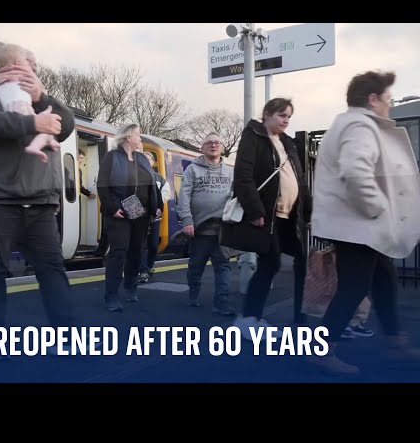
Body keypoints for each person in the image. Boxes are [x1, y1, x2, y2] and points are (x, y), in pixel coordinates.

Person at [0, 43, 78, 361]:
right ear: (13, 65)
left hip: (40, 204)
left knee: (53, 270)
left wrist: (43, 99)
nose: (35, 65)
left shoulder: (43, 99)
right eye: (30, 60)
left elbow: (66, 126)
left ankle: (66, 337)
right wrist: (33, 124)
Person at [308, 70, 420, 375]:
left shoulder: (346, 123)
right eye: (388, 99)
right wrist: (378, 208)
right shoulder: (360, 124)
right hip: (358, 226)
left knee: (384, 279)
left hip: (358, 225)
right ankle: (321, 350)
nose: (390, 105)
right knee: (354, 288)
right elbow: (356, 172)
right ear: (373, 99)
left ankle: (396, 341)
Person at [227, 98, 312, 339]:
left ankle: (295, 318)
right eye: (281, 115)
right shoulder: (253, 136)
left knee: (301, 260)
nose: (286, 120)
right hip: (268, 216)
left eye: (289, 117)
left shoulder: (288, 143)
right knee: (271, 263)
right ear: (267, 114)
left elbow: (300, 180)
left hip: (289, 217)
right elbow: (243, 176)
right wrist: (255, 211)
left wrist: (308, 213)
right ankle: (249, 318)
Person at [97, 123, 163, 311]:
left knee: (136, 251)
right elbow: (102, 184)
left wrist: (157, 205)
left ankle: (130, 287)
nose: (140, 139)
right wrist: (111, 208)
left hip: (140, 211)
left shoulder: (142, 159)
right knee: (118, 252)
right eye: (138, 136)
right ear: (128, 138)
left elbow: (153, 184)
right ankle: (111, 296)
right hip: (119, 210)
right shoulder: (112, 157)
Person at [177, 133, 237, 316]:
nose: (213, 145)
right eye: (209, 143)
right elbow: (184, 196)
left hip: (223, 229)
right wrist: (187, 220)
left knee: (223, 266)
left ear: (221, 147)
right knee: (196, 266)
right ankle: (193, 293)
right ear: (202, 148)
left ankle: (221, 302)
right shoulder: (192, 170)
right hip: (200, 228)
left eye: (217, 143)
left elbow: (236, 196)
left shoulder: (230, 171)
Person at [0, 42, 60, 163]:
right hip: (21, 108)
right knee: (45, 125)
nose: (33, 68)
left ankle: (48, 140)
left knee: (44, 125)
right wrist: (40, 93)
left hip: (11, 109)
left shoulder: (1, 80)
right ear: (18, 63)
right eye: (28, 62)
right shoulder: (22, 76)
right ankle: (36, 145)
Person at [137, 151, 171, 282]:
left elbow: (165, 194)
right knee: (142, 245)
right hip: (140, 217)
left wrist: (157, 207)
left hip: (154, 217)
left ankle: (150, 266)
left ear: (152, 162)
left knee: (153, 245)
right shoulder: (135, 176)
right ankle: (143, 270)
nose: (146, 162)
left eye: (148, 160)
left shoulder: (159, 178)